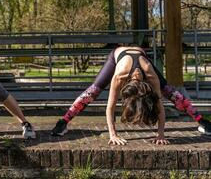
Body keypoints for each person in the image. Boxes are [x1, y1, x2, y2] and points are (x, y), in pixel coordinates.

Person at [51, 45, 211, 144]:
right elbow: (110, 107)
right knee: (92, 92)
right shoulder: (119, 76)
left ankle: (202, 121)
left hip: (142, 59)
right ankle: (63, 122)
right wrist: (112, 135)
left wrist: (161, 134)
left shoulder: (151, 76)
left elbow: (159, 105)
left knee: (172, 94)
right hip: (117, 57)